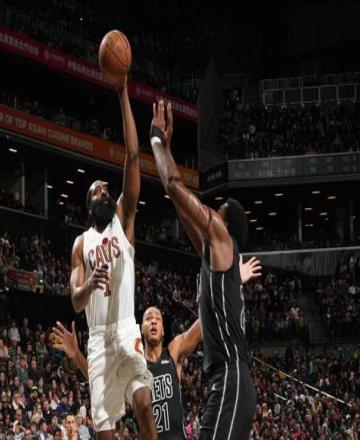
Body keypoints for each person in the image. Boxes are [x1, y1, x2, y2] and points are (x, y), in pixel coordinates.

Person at [53, 256, 261, 439]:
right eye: (148, 318)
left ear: (162, 330)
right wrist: (76, 354)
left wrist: (234, 283)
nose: (153, 321)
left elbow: (206, 319)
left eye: (158, 319)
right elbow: (101, 380)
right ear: (141, 329)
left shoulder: (174, 351)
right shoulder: (133, 365)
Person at [149, 100, 256, 439]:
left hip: (231, 379)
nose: (212, 212)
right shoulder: (215, 256)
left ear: (225, 222)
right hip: (225, 382)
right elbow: (180, 206)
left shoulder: (223, 237)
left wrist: (156, 141)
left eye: (218, 209)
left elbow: (174, 186)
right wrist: (169, 152)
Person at [69, 76, 156, 439]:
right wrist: (90, 283)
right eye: (97, 191)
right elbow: (76, 302)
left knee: (144, 405)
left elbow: (133, 156)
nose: (105, 192)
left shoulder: (124, 220)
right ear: (89, 206)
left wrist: (123, 94)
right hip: (97, 340)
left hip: (125, 328)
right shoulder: (81, 244)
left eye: (106, 189)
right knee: (105, 433)